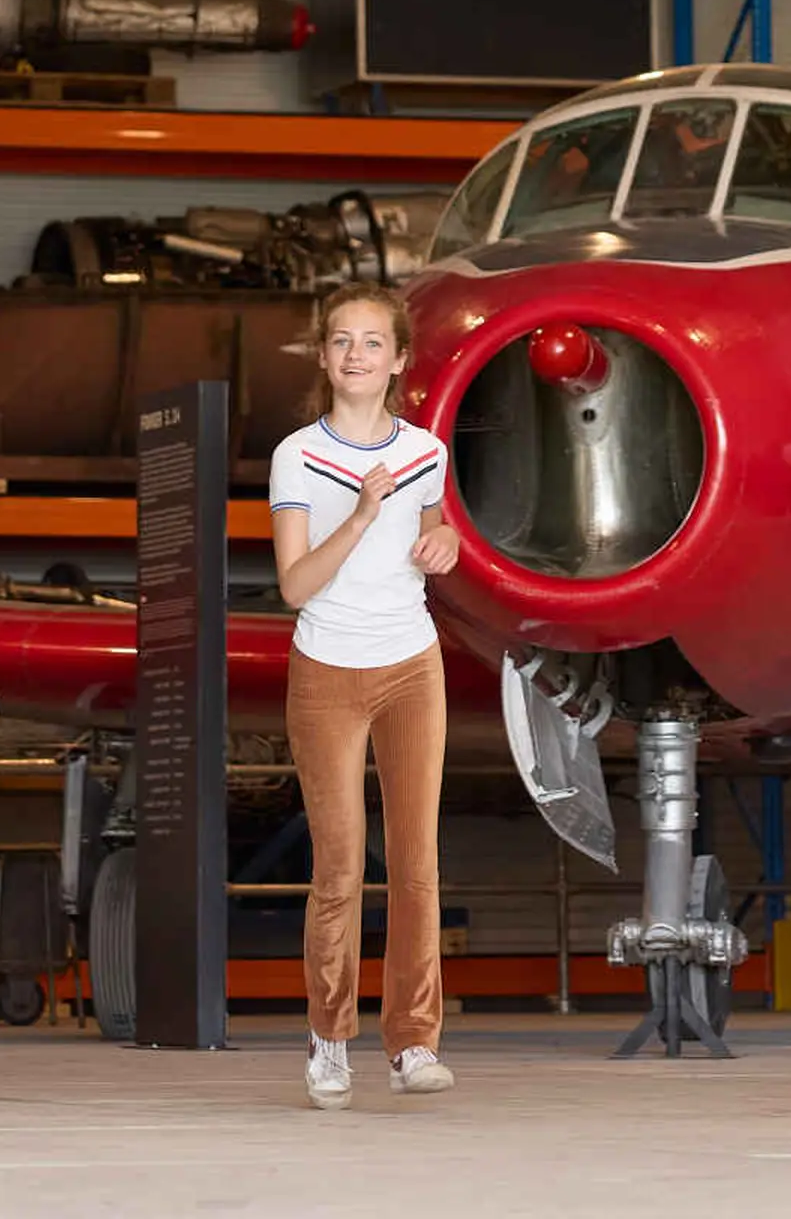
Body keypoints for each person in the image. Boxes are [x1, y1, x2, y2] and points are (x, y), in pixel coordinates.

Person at [269, 282, 458, 1111]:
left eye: (372, 342)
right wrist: (359, 512)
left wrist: (443, 534)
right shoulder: (296, 455)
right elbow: (293, 583)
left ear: (399, 360)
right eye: (341, 341)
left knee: (417, 864)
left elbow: (436, 525)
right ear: (324, 357)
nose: (356, 354)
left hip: (413, 663)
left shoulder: (428, 451)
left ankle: (414, 1042)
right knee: (340, 867)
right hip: (328, 669)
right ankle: (330, 1041)